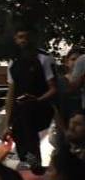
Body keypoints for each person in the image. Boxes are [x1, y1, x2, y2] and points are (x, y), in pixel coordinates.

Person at [9, 26, 57, 167]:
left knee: (35, 149)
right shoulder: (13, 63)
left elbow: (53, 89)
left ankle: (36, 167)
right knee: (24, 152)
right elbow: (11, 93)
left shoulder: (44, 58)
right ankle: (31, 166)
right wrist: (7, 123)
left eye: (26, 37)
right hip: (20, 115)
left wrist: (37, 100)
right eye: (20, 37)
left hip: (41, 113)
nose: (23, 41)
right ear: (15, 40)